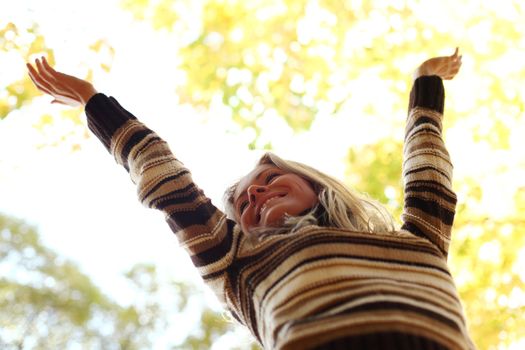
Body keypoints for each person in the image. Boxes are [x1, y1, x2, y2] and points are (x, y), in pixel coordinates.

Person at [27, 48, 475, 349]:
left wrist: (426, 82)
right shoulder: (235, 263)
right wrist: (92, 101)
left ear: (315, 185)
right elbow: (166, 179)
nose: (254, 194)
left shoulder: (419, 240)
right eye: (241, 204)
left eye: (267, 179)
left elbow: (428, 162)